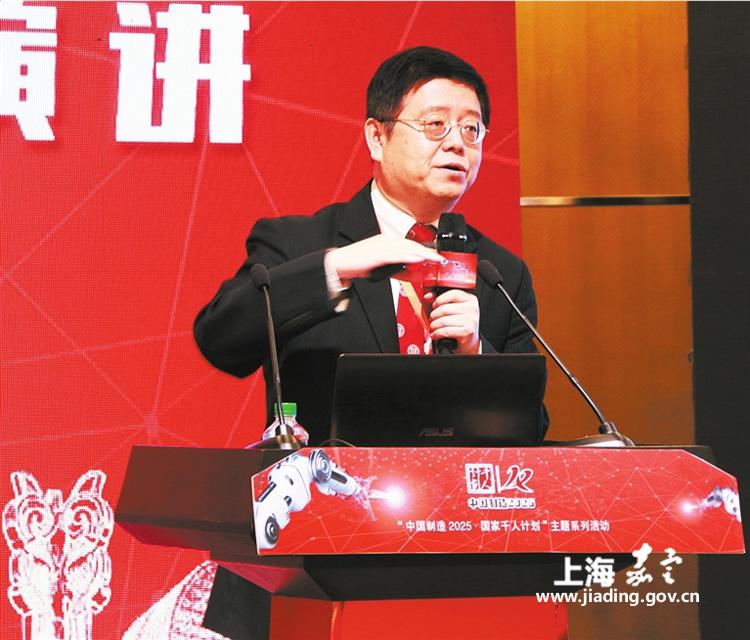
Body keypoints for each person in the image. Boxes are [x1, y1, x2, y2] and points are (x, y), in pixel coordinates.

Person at [194, 46, 544, 445]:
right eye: (435, 124)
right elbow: (220, 342)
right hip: (330, 481)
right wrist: (334, 269)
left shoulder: (500, 273)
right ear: (377, 137)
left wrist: (476, 351)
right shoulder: (299, 244)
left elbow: (532, 430)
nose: (457, 144)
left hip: (454, 486)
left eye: (471, 129)